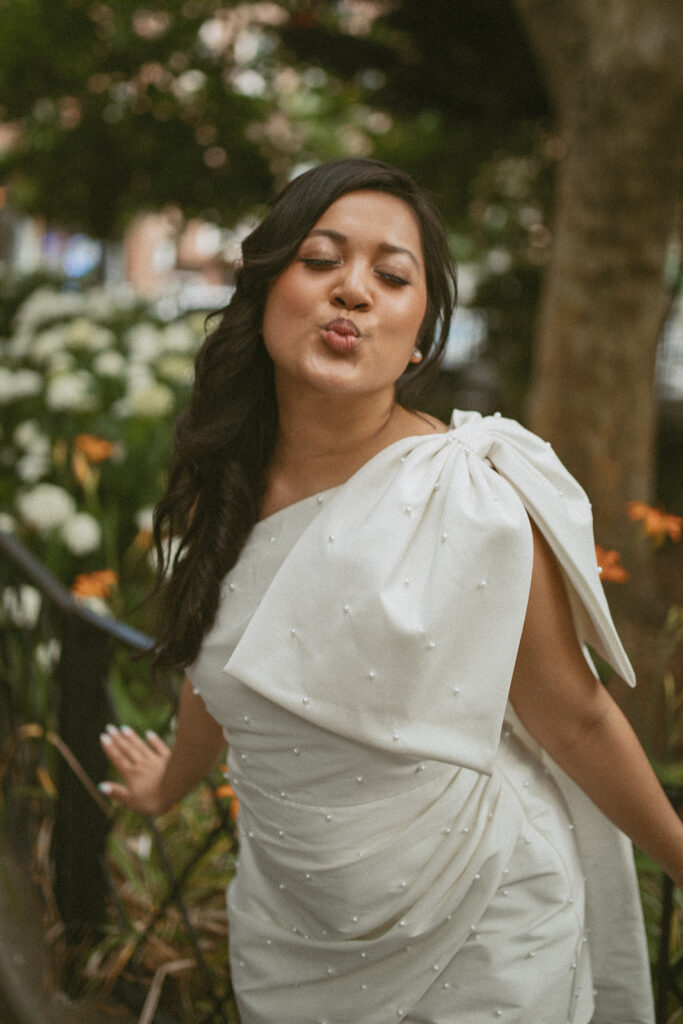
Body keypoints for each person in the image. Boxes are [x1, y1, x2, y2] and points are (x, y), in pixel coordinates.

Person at [99, 158, 683, 1024]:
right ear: (266, 289)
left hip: (483, 925)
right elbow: (227, 671)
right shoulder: (218, 485)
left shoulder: (472, 494)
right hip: (289, 928)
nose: (352, 292)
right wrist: (167, 786)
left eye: (390, 275)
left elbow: (573, 714)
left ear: (417, 337)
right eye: (320, 260)